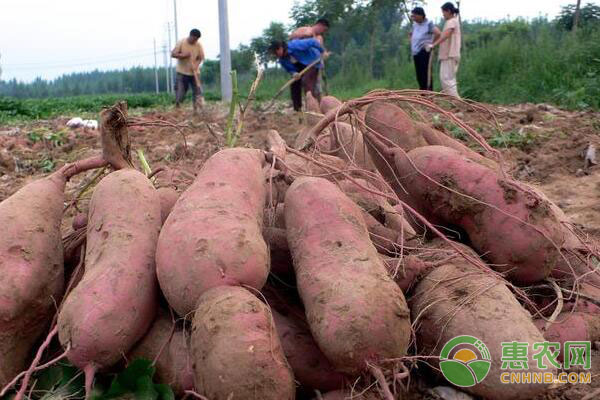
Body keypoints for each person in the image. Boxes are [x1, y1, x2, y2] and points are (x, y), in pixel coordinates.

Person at [269, 38, 324, 111]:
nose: (276, 55)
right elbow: (290, 69)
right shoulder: (282, 60)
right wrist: (294, 73)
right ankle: (297, 109)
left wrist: (322, 51)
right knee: (294, 84)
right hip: (299, 69)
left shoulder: (295, 45)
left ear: (280, 48)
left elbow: (313, 42)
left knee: (307, 82)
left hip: (312, 62)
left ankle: (312, 108)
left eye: (275, 53)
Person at [426, 2, 461, 98]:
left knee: (447, 79)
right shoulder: (450, 22)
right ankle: (456, 103)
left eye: (443, 13)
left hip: (450, 55)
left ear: (448, 11)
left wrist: (434, 44)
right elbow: (444, 35)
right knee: (446, 79)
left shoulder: (452, 21)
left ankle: (458, 103)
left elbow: (446, 35)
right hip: (447, 55)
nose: (443, 15)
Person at [289, 18, 331, 96]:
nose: (323, 32)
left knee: (316, 85)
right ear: (320, 25)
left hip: (315, 64)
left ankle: (317, 102)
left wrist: (324, 54)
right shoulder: (304, 29)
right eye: (324, 30)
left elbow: (320, 50)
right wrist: (302, 35)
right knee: (305, 83)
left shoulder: (319, 38)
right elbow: (291, 37)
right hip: (302, 62)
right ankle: (307, 102)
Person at [171, 28, 205, 112]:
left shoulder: (198, 45)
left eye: (197, 39)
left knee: (197, 92)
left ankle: (196, 110)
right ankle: (178, 108)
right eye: (194, 39)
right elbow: (173, 54)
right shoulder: (181, 42)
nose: (195, 41)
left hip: (194, 73)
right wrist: (183, 55)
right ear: (190, 36)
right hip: (182, 73)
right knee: (181, 92)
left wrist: (196, 65)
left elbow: (201, 58)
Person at [409, 7, 441, 91]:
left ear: (421, 15)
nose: (413, 17)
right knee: (419, 75)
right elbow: (411, 34)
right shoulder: (414, 25)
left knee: (425, 74)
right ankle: (423, 93)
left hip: (424, 51)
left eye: (415, 15)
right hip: (415, 52)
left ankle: (429, 93)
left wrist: (431, 44)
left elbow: (438, 33)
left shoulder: (428, 24)